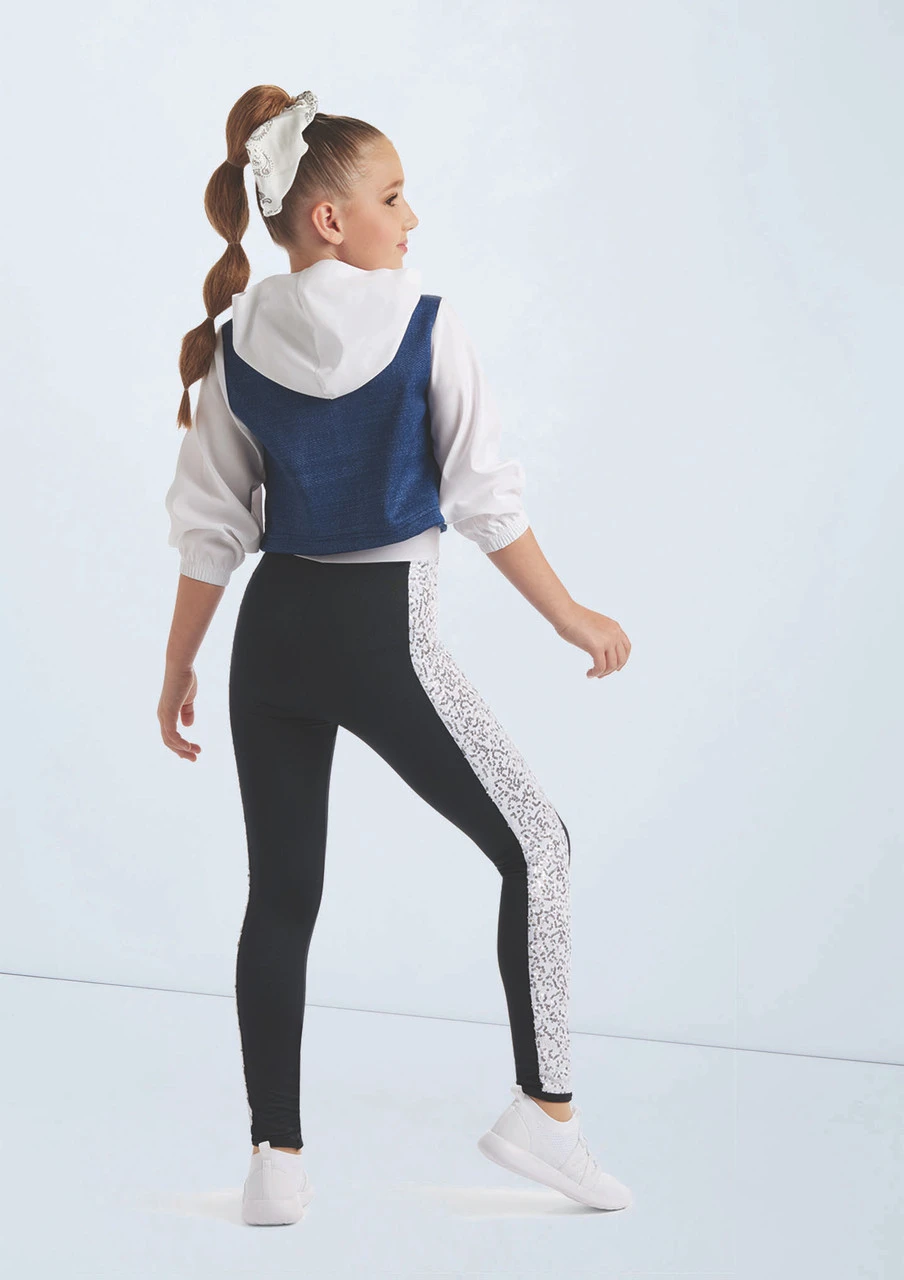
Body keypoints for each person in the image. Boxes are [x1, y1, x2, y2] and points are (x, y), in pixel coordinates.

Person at [158, 85, 633, 1226]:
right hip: (385, 640)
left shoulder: (236, 337)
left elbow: (211, 525)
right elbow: (483, 500)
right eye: (393, 194)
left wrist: (177, 664)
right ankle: (546, 1111)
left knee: (281, 896)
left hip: (270, 640)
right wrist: (568, 614)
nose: (411, 216)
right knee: (540, 844)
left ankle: (275, 1162)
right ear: (330, 219)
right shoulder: (423, 318)